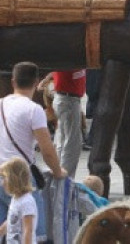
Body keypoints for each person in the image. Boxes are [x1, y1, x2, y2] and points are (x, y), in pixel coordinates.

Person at [0, 62, 67, 242]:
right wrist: (58, 171)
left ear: (13, 81)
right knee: (35, 232)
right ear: (36, 82)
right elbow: (47, 150)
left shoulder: (0, 104)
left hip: (0, 173)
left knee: (4, 233)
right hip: (21, 177)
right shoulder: (33, 110)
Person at [47, 70, 86, 178]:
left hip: (68, 99)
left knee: (64, 141)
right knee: (71, 143)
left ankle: (60, 176)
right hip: (68, 99)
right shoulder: (69, 57)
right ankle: (65, 179)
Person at [0, 158, 36, 244]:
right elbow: (12, 220)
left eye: (4, 178)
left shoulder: (27, 201)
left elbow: (28, 230)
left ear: (14, 179)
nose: (2, 183)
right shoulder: (15, 199)